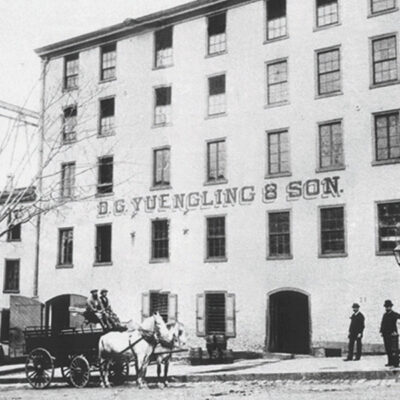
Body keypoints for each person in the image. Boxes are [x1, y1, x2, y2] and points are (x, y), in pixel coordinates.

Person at [380, 299, 400, 367]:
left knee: (394, 349)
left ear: (391, 307)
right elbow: (382, 324)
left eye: (388, 307)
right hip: (386, 334)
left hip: (392, 335)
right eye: (386, 307)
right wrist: (381, 331)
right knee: (388, 348)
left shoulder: (395, 314)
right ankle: (390, 362)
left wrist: (396, 331)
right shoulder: (385, 315)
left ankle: (396, 363)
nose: (387, 308)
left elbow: (398, 321)